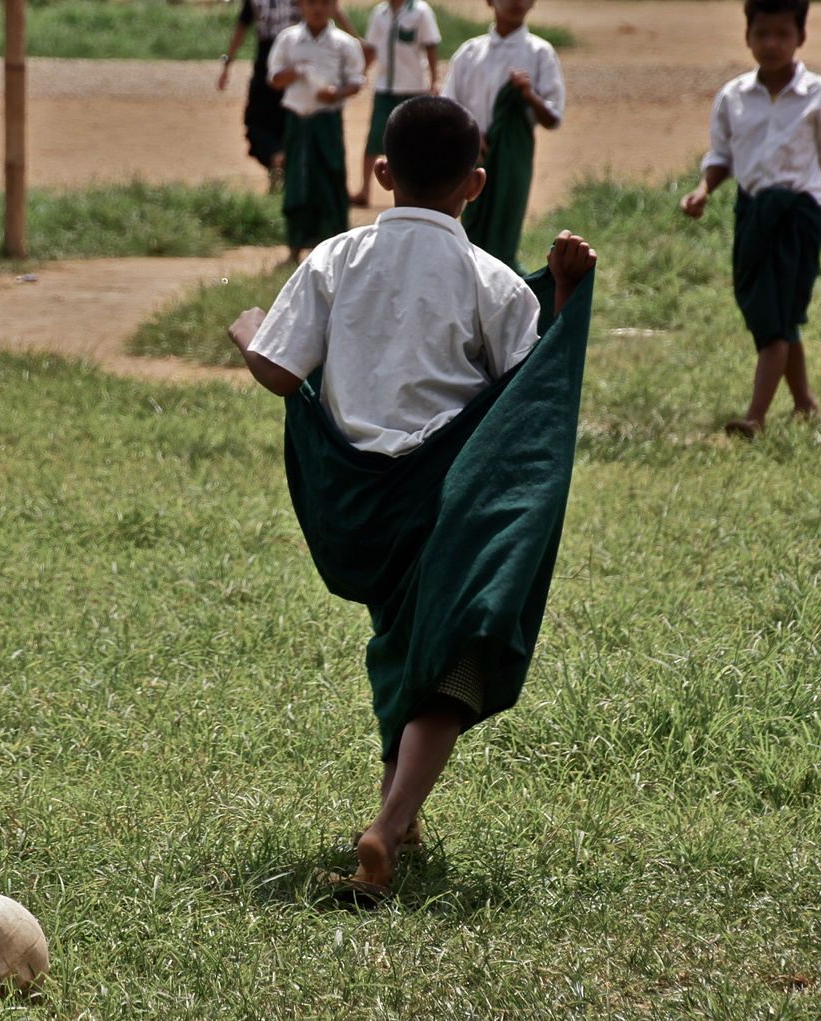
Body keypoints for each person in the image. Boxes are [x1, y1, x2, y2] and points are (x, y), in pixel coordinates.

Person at [226, 96, 597, 903]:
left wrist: (250, 333)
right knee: (453, 667)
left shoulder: (332, 259)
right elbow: (530, 398)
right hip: (448, 505)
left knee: (400, 646)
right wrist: (564, 296)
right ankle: (388, 827)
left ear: (383, 173)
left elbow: (283, 375)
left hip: (360, 509)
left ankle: (403, 813)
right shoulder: (492, 282)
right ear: (477, 183)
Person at [679, 0, 821, 438]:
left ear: (801, 38)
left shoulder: (820, 95)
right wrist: (703, 189)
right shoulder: (733, 97)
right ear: (748, 36)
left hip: (798, 216)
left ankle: (755, 418)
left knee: (775, 320)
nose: (772, 43)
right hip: (752, 213)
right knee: (773, 310)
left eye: (783, 34)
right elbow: (721, 156)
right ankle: (805, 402)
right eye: (762, 34)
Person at [441, 0, 564, 271]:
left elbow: (553, 117)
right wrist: (469, 132)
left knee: (507, 220)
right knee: (471, 221)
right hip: (474, 153)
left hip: (514, 154)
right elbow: (448, 105)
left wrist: (528, 95)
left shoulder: (539, 52)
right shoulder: (470, 52)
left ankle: (502, 281)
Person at [219, 0, 360, 192]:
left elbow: (243, 23)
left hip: (297, 51)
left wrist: (229, 61)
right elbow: (244, 21)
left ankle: (283, 163)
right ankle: (283, 162)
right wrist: (356, 37)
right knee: (270, 118)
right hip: (284, 53)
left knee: (272, 118)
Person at [268, 0, 366, 262]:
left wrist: (335, 93)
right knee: (298, 182)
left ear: (334, 5)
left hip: (327, 121)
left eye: (324, 2)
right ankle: (295, 247)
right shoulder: (289, 40)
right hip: (297, 121)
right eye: (311, 2)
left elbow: (357, 81)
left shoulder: (344, 43)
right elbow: (274, 78)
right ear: (300, 5)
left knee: (330, 176)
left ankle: (334, 249)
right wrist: (295, 71)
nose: (317, 9)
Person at [352, 0, 441, 208]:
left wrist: (435, 79)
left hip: (413, 88)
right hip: (385, 89)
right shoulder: (379, 13)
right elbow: (372, 50)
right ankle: (365, 190)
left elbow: (431, 46)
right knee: (375, 137)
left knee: (416, 142)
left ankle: (421, 191)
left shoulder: (420, 11)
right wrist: (361, 73)